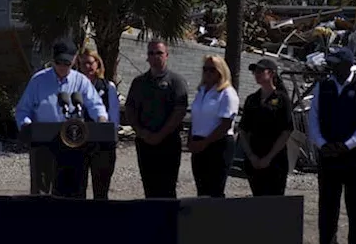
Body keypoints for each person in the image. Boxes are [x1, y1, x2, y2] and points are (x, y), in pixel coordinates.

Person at [307, 47, 356, 244]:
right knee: (327, 204)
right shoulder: (323, 87)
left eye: (336, 63)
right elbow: (313, 118)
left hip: (354, 155)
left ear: (347, 65)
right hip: (328, 154)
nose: (332, 67)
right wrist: (322, 144)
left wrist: (345, 145)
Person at [14, 40, 108, 198]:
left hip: (74, 142)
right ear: (53, 60)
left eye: (67, 63)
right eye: (59, 62)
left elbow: (96, 105)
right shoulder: (38, 80)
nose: (63, 67)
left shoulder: (81, 81)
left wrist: (101, 119)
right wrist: (28, 127)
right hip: (43, 143)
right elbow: (23, 110)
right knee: (42, 189)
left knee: (73, 189)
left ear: (74, 59)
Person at [124, 39, 189, 199]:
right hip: (144, 142)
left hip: (168, 143)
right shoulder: (139, 82)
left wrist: (160, 135)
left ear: (166, 55)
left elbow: (179, 111)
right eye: (151, 53)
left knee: (167, 187)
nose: (155, 56)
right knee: (149, 186)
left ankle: (169, 223)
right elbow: (130, 109)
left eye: (159, 53)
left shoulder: (176, 81)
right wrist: (141, 132)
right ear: (147, 57)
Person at [238, 57, 294, 196]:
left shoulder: (282, 99)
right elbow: (243, 129)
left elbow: (286, 130)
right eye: (255, 71)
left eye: (261, 71)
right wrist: (251, 156)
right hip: (254, 157)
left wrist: (269, 157)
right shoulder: (252, 99)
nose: (257, 74)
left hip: (276, 160)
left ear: (272, 73)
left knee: (274, 202)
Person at [188, 55, 240, 198]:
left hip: (218, 144)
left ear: (220, 71)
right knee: (201, 188)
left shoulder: (227, 93)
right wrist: (191, 140)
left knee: (215, 189)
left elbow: (225, 124)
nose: (208, 73)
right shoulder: (201, 91)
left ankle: (216, 219)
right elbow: (196, 118)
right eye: (205, 69)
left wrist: (205, 143)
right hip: (199, 143)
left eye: (212, 70)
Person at [78, 48, 121, 200]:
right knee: (77, 188)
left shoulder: (108, 87)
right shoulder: (75, 87)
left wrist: (111, 137)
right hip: (79, 143)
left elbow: (114, 117)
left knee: (101, 189)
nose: (87, 67)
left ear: (97, 64)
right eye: (83, 64)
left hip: (102, 145)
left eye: (90, 63)